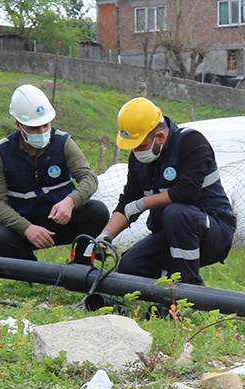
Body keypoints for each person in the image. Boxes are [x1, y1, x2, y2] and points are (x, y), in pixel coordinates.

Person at [92, 97, 237, 286]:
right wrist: (105, 236)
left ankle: (191, 292)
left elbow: (186, 193)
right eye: (133, 147)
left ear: (160, 137)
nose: (137, 152)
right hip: (172, 234)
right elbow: (127, 201)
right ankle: (165, 295)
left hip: (213, 232)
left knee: (177, 212)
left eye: (141, 146)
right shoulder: (140, 159)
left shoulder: (191, 142)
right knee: (130, 266)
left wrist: (142, 204)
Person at [0, 85, 108, 265]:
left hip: (62, 220)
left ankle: (80, 267)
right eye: (34, 128)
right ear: (19, 126)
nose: (42, 132)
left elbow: (89, 178)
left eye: (46, 125)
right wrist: (26, 228)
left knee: (98, 211)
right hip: (25, 224)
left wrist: (70, 202)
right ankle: (30, 273)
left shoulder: (63, 142)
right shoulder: (1, 152)